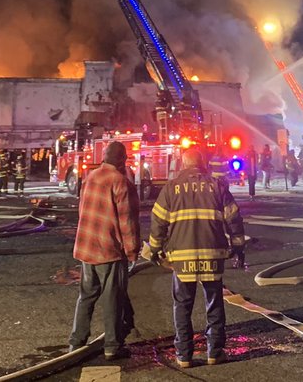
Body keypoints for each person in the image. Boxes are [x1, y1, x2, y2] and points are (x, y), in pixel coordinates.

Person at [146, 147, 246, 368]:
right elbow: (234, 218)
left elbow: (158, 222)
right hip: (213, 254)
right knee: (214, 302)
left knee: (182, 304)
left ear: (183, 164)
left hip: (181, 257)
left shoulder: (171, 188)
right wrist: (238, 246)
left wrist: (155, 249)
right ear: (203, 163)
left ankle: (184, 356)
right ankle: (215, 352)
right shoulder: (218, 185)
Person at [69, 140, 140, 362]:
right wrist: (132, 250)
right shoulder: (121, 182)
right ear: (122, 159)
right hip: (109, 250)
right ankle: (112, 346)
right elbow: (127, 221)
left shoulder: (90, 177)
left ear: (104, 156)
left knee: (87, 295)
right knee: (113, 298)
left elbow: (82, 210)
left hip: (86, 246)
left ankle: (76, 342)